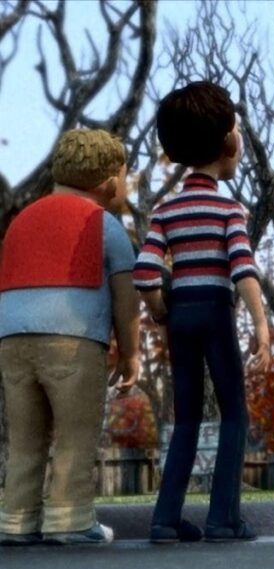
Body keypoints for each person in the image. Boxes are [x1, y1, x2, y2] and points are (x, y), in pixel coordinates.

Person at [134, 81, 271, 544]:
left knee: (186, 415)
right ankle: (223, 518)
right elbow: (244, 271)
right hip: (215, 311)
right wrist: (262, 325)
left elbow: (147, 270)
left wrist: (159, 311)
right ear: (230, 141)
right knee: (234, 413)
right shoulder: (229, 209)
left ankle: (165, 518)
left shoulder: (165, 209)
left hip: (180, 316)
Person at [0, 129, 139, 546]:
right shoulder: (103, 224)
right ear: (110, 181)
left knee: (25, 436)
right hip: (73, 340)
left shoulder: (22, 220)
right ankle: (70, 518)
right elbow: (126, 293)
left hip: (11, 342)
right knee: (76, 433)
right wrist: (130, 354)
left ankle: (15, 519)